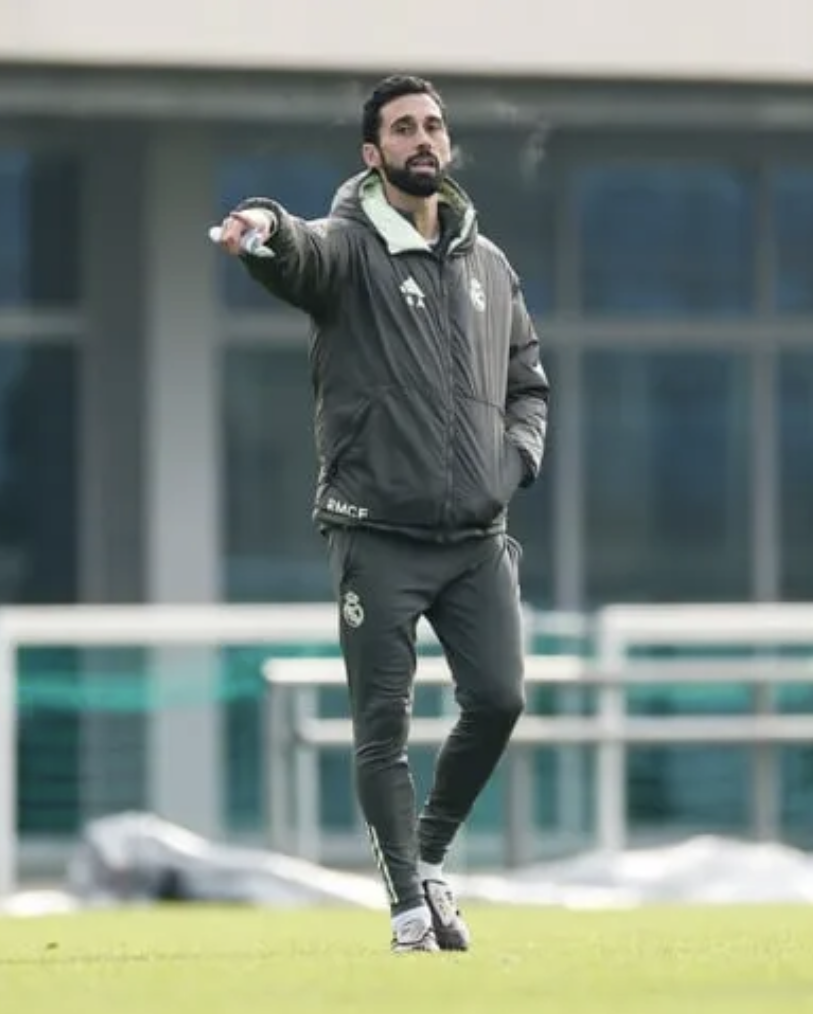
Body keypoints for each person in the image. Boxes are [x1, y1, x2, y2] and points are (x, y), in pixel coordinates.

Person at [214, 74, 550, 954]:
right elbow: (296, 250)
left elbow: (529, 384)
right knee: (383, 731)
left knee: (500, 699)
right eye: (403, 129)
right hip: (377, 534)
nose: (422, 139)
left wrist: (513, 462)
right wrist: (262, 226)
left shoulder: (489, 264)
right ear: (373, 154)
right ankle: (407, 907)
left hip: (477, 539)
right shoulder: (349, 249)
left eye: (433, 125)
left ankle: (429, 857)